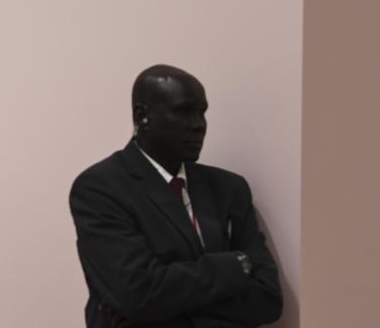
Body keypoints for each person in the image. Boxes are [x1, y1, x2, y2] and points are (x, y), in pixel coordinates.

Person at [69, 64, 282, 327]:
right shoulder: (100, 188)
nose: (198, 126)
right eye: (183, 112)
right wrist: (235, 265)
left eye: (202, 113)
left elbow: (269, 300)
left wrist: (168, 304)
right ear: (142, 115)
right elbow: (138, 294)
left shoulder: (229, 189)